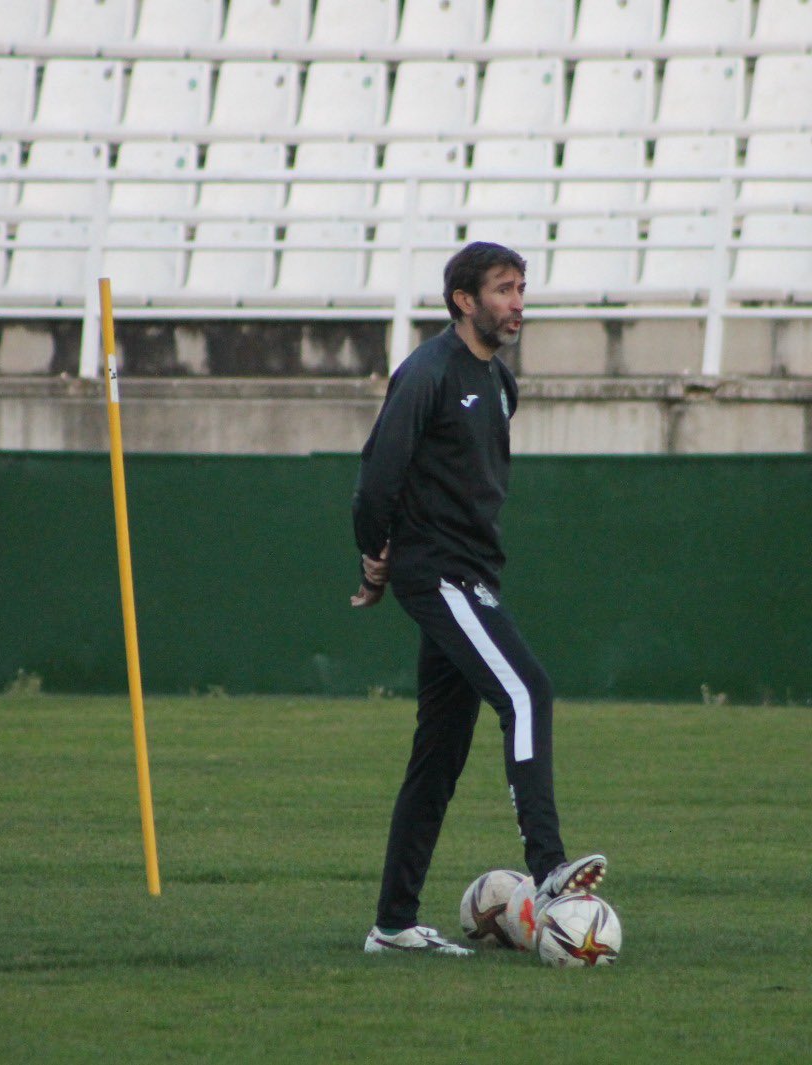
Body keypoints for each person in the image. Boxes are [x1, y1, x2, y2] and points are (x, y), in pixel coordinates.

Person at [350, 241, 606, 955]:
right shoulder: (428, 372)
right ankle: (549, 867)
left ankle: (394, 924)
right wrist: (376, 561)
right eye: (503, 289)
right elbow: (376, 480)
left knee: (438, 754)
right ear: (464, 300)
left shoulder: (499, 382)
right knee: (527, 691)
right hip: (439, 574)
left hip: (472, 574)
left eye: (522, 288)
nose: (518, 302)